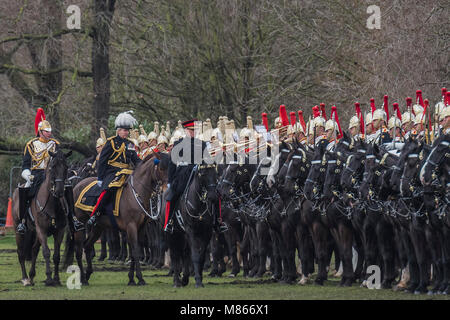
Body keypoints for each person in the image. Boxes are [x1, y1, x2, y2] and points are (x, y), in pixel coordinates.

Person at [18, 108, 82, 233]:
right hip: (36, 174)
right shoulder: (31, 144)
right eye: (46, 131)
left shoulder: (55, 144)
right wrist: (28, 176)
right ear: (40, 132)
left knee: (67, 187)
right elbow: (25, 166)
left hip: (53, 174)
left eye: (50, 131)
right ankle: (23, 221)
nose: (49, 133)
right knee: (24, 189)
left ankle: (73, 218)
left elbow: (60, 161)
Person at [163, 119, 227, 234]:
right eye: (191, 130)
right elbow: (172, 164)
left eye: (195, 130)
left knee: (215, 194)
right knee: (172, 194)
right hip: (183, 174)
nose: (193, 132)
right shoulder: (179, 143)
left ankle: (218, 221)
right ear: (186, 130)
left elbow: (207, 160)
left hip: (200, 173)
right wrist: (170, 181)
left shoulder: (201, 144)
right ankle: (169, 222)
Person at [87, 111, 142, 227]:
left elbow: (135, 160)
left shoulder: (130, 144)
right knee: (107, 190)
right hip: (112, 172)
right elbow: (102, 161)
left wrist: (143, 165)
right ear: (118, 130)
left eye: (127, 130)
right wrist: (100, 177)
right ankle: (95, 214)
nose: (126, 132)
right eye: (124, 130)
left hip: (127, 172)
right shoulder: (111, 142)